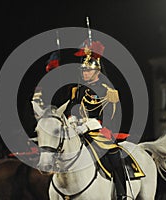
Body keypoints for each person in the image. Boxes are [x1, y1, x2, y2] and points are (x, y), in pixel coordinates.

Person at [54, 40, 128, 200]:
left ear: (97, 71)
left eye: (88, 71)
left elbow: (110, 117)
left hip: (100, 132)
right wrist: (72, 120)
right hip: (78, 132)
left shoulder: (107, 90)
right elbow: (71, 109)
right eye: (83, 71)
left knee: (114, 156)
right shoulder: (78, 90)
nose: (84, 73)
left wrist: (89, 126)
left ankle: (122, 193)